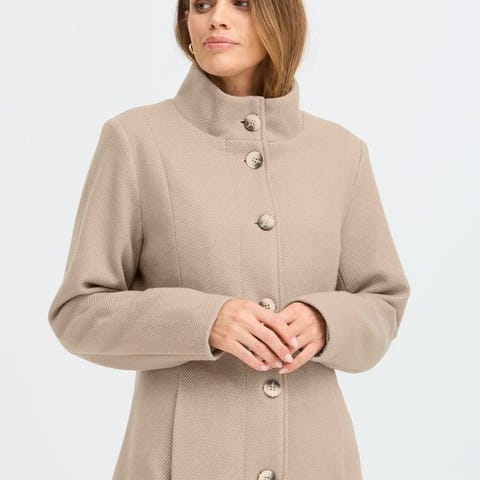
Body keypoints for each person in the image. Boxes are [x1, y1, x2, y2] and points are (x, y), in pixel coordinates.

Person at [47, 1, 411, 479]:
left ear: (281, 16)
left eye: (240, 3)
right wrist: (206, 321)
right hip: (182, 461)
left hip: (317, 458)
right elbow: (78, 312)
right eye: (200, 5)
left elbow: (384, 302)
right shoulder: (136, 140)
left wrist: (327, 322)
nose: (215, 17)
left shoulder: (342, 153)